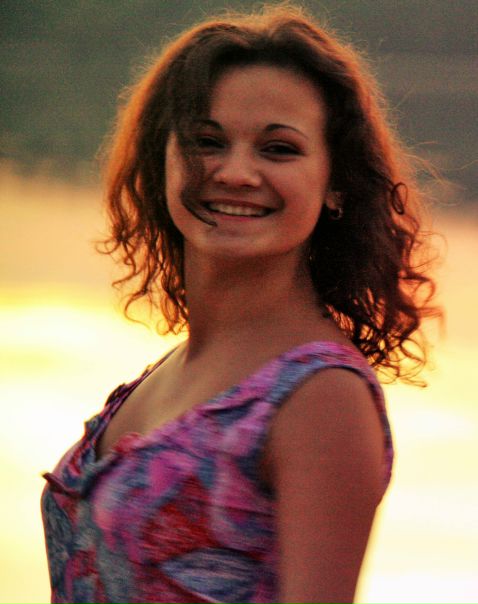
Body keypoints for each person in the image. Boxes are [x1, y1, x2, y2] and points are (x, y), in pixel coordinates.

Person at [41, 5, 440, 603]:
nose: (235, 172)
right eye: (207, 142)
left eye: (278, 149)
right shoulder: (172, 369)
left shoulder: (319, 396)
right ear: (161, 159)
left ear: (336, 183)